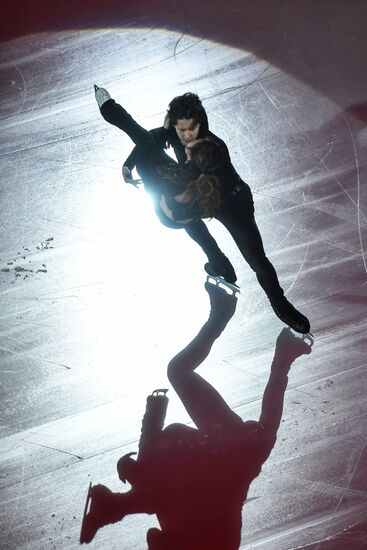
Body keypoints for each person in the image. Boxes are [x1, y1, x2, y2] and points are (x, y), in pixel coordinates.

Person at [79, 281, 313, 548]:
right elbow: (158, 492)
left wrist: (150, 427)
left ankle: (260, 339)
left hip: (226, 450)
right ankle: (232, 321)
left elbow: (155, 491)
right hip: (226, 451)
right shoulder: (176, 515)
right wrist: (151, 422)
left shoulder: (171, 512)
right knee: (179, 373)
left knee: (184, 377)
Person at [95, 87, 310, 334]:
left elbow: (190, 174)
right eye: (181, 129)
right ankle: (219, 262)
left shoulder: (211, 149)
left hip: (232, 204)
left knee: (257, 261)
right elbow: (148, 138)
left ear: (202, 123)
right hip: (197, 194)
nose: (186, 135)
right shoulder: (177, 134)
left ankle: (280, 304)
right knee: (184, 211)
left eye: (192, 129)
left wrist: (164, 186)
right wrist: (129, 161)